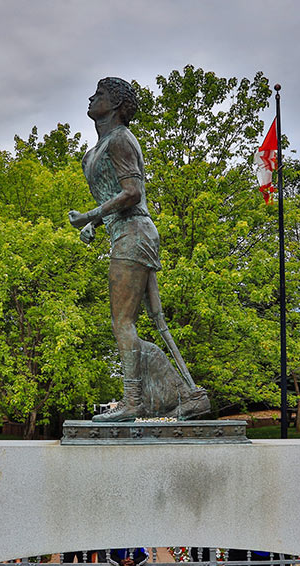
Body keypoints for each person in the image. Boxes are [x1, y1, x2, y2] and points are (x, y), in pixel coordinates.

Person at [68, 77, 208, 422]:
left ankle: (133, 404)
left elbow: (132, 194)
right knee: (151, 322)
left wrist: (89, 215)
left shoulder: (121, 140)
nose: (91, 97)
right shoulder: (95, 151)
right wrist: (95, 224)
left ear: (115, 103)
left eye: (99, 94)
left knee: (122, 323)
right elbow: (115, 196)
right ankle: (183, 394)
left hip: (135, 233)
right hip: (126, 232)